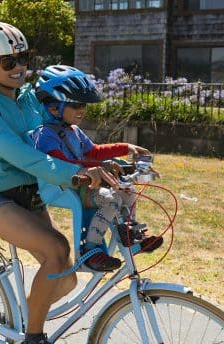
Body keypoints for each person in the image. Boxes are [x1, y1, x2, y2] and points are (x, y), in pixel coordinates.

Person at [0, 22, 117, 344]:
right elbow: (23, 155)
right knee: (56, 249)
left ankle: (13, 325)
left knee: (67, 275)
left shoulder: (30, 98)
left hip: (27, 195)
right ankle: (32, 342)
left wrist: (105, 157)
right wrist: (74, 173)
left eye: (23, 59)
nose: (18, 68)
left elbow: (62, 131)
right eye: (8, 62)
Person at [31, 65, 163, 271]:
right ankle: (90, 250)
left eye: (83, 104)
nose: (82, 109)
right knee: (110, 199)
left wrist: (125, 147)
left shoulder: (73, 130)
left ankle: (132, 236)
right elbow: (63, 165)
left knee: (127, 190)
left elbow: (94, 151)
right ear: (54, 108)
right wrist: (100, 166)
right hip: (65, 186)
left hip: (85, 183)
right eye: (75, 104)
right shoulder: (45, 134)